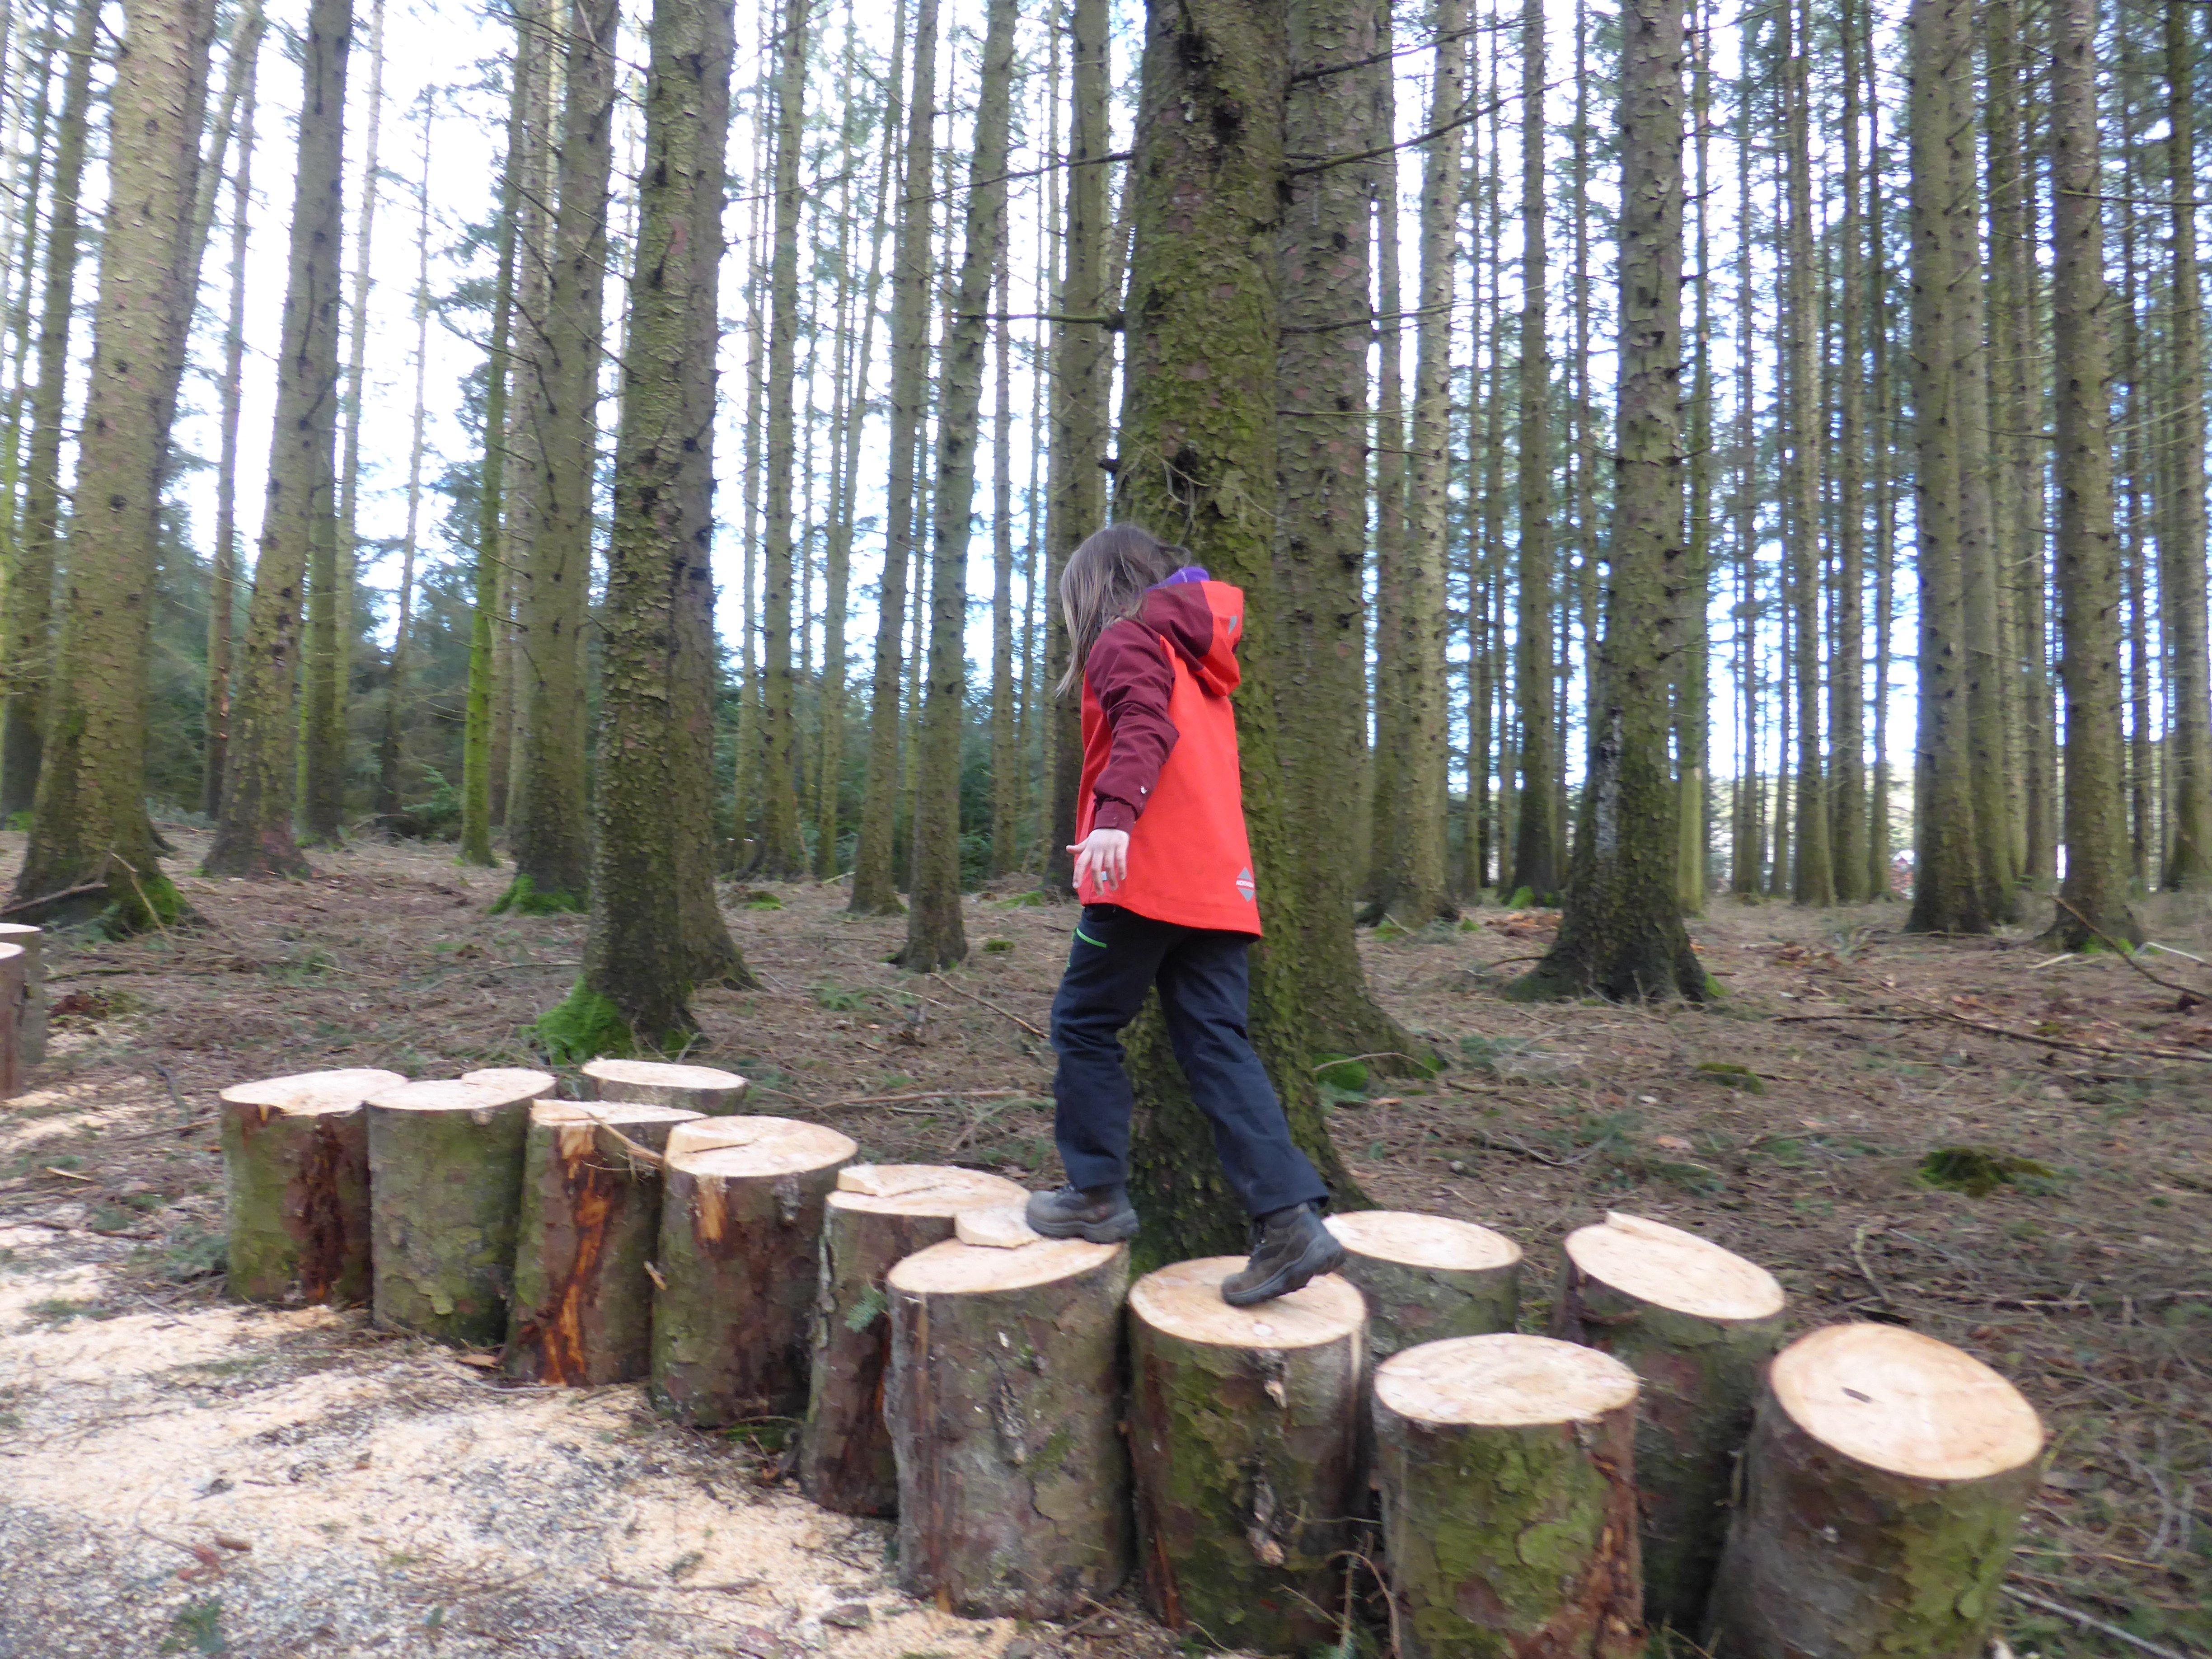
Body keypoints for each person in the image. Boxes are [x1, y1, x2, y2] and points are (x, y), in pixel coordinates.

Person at [1024, 523, 1346, 1306]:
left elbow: (1143, 728)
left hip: (1142, 876)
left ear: (1094, 590)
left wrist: (1111, 819)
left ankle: (1096, 1194)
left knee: (1084, 1023)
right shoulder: (1202, 662)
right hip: (1218, 885)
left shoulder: (1125, 640)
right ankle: (1288, 1221)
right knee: (1216, 1045)